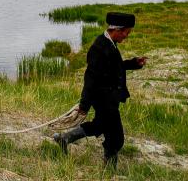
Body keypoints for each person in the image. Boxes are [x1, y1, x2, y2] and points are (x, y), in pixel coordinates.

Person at [53, 12, 147, 170]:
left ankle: (64, 139)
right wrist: (84, 105)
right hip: (103, 100)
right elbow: (90, 79)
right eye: (126, 32)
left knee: (98, 125)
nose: (126, 36)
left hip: (109, 98)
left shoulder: (110, 43)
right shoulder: (98, 48)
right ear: (116, 30)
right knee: (116, 138)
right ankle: (110, 170)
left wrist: (133, 63)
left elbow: (113, 68)